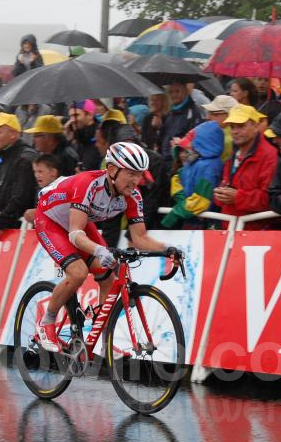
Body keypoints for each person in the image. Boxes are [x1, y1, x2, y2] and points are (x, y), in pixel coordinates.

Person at [33, 141, 181, 352]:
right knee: (78, 272)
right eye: (131, 173)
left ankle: (105, 344)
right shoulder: (88, 184)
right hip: (50, 221)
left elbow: (139, 238)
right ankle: (46, 322)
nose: (136, 180)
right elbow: (75, 234)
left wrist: (167, 250)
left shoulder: (132, 196)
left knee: (108, 278)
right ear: (112, 170)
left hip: (78, 221)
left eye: (139, 174)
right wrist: (99, 250)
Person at [213, 104, 278, 227]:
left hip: (255, 233)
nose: (235, 131)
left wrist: (237, 197)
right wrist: (221, 195)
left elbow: (270, 199)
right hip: (230, 228)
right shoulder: (234, 153)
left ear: (256, 126)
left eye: (241, 126)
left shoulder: (269, 156)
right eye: (232, 127)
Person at [0, 113, 37, 244]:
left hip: (20, 233)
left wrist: (0, 223)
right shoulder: (6, 156)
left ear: (13, 134)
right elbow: (6, 191)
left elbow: (21, 197)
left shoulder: (24, 159)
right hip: (10, 227)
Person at [161, 121, 223, 228]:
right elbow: (177, 179)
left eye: (193, 142)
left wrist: (176, 213)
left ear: (203, 143)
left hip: (207, 224)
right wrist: (183, 202)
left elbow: (202, 199)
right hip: (190, 219)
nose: (189, 147)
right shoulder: (193, 162)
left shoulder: (210, 167)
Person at [159, 82, 204, 165]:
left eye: (177, 91)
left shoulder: (193, 111)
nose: (174, 95)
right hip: (166, 160)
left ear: (184, 91)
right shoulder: (170, 113)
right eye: (171, 92)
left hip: (180, 161)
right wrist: (159, 127)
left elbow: (194, 137)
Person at [23, 154, 62, 223]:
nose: (36, 175)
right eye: (35, 171)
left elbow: (62, 215)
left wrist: (39, 213)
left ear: (53, 172)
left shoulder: (62, 191)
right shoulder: (40, 191)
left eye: (40, 171)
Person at [65, 100, 101, 171]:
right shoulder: (78, 139)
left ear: (90, 115)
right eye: (70, 116)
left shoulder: (100, 137)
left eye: (76, 115)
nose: (72, 120)